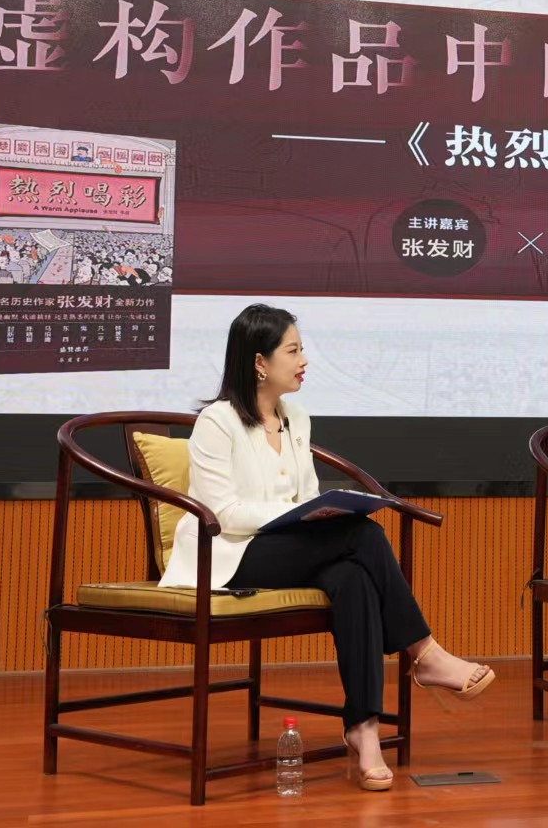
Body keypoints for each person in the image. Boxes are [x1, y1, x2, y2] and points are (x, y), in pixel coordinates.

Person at [158, 303, 494, 791]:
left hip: (290, 549)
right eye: (293, 351)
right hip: (229, 556)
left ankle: (364, 730)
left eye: (302, 350)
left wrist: (319, 513)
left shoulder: (296, 418)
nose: (304, 361)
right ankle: (424, 652)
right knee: (363, 535)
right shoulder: (217, 421)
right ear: (259, 362)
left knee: (354, 578)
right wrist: (296, 518)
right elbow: (224, 514)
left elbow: (307, 495)